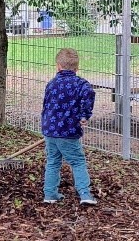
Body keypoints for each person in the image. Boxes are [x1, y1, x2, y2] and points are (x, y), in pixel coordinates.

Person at [41, 47, 97, 206]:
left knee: (53, 161)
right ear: (77, 68)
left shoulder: (51, 84)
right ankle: (85, 194)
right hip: (69, 131)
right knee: (77, 161)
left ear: (58, 66)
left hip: (50, 131)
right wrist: (84, 115)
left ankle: (50, 194)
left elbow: (46, 105)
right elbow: (89, 96)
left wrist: (47, 126)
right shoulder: (81, 84)